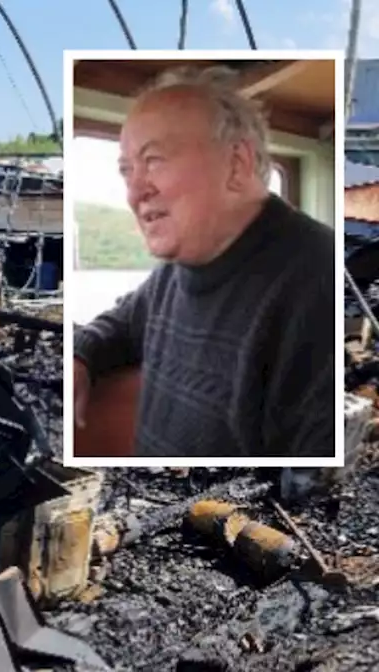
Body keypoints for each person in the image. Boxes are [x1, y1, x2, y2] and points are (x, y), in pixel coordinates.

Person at [72, 65, 334, 459]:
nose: (135, 191)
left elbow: (313, 491)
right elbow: (120, 325)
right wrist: (80, 355)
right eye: (127, 171)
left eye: (154, 160)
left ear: (236, 164)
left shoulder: (317, 279)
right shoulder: (173, 274)